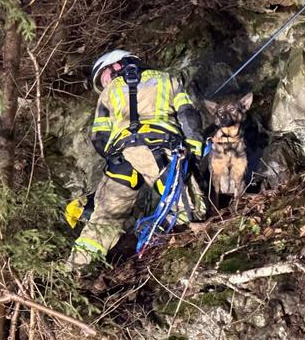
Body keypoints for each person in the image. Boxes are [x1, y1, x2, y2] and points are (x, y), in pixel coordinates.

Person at [69, 49, 205, 268]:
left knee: (103, 220)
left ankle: (76, 271)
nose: (104, 84)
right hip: (161, 149)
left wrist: (117, 158)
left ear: (116, 66)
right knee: (190, 209)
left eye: (103, 77)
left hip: (121, 158)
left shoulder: (109, 93)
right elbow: (188, 114)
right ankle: (170, 254)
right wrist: (194, 148)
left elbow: (99, 136)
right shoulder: (166, 80)